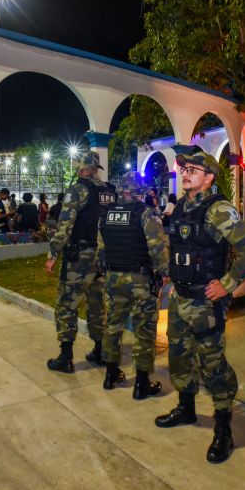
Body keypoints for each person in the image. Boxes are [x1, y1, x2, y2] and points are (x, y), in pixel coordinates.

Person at [154, 150, 245, 464]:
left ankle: (223, 428)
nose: (185, 173)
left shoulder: (219, 210)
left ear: (209, 177)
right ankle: (186, 409)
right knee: (179, 357)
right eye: (184, 168)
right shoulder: (183, 207)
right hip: (180, 298)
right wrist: (170, 278)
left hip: (204, 302)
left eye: (194, 169)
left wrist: (227, 284)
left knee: (213, 367)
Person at [98, 171, 170, 399]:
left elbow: (101, 249)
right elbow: (157, 249)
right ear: (140, 191)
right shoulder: (146, 215)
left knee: (112, 325)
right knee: (144, 329)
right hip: (140, 280)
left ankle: (110, 374)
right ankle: (141, 383)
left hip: (112, 278)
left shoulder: (106, 215)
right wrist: (165, 273)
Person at [44, 151, 116, 373]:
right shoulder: (109, 191)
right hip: (104, 257)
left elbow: (65, 226)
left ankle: (65, 357)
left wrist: (52, 254)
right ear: (96, 168)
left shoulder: (78, 190)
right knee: (97, 304)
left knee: (67, 304)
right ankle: (100, 351)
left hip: (80, 257)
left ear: (80, 168)